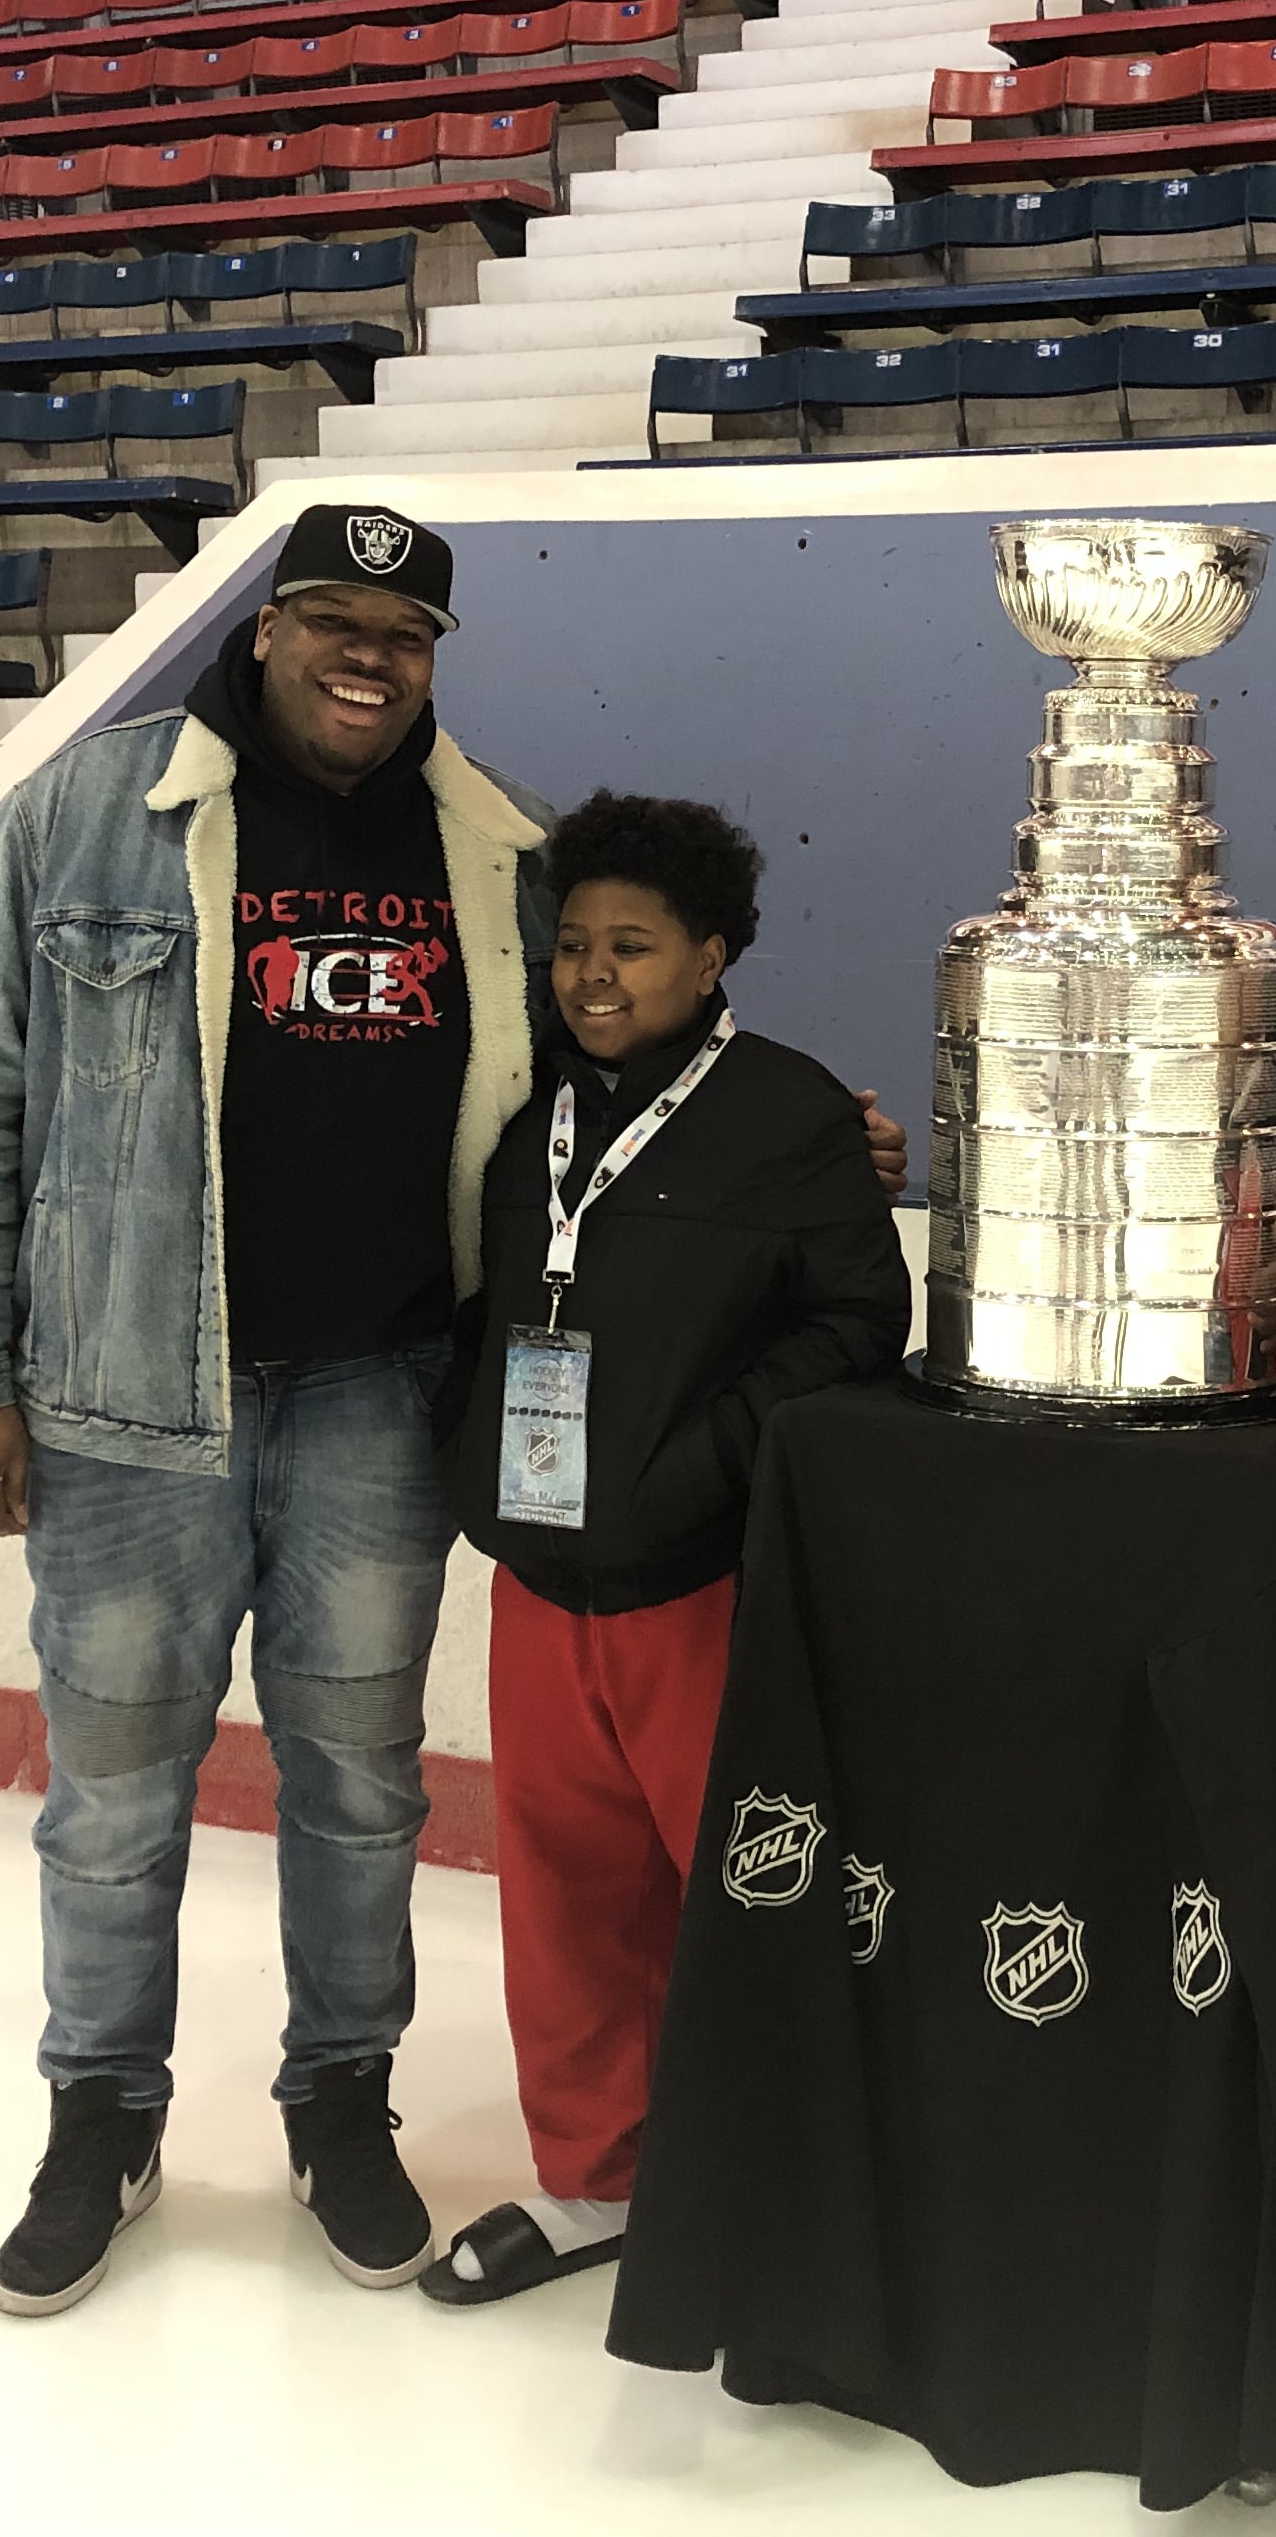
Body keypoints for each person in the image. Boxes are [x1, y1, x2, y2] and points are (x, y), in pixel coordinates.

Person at [0, 501, 910, 2322]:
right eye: (335, 624)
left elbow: (629, 1040)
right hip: (129, 1397)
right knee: (113, 1791)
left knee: (361, 1784)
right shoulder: (89, 812)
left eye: (406, 636)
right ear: (266, 628)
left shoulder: (496, 845)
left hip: (385, 1391)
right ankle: (101, 2115)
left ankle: (340, 2098)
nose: (369, 661)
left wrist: (811, 1135)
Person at [422, 793, 910, 2309]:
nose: (594, 975)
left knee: (750, 1898)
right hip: (539, 1581)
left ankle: (794, 2194)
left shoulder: (792, 1116)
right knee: (565, 1901)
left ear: (712, 956)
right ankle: (597, 2177)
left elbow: (856, 1324)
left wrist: (700, 1469)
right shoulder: (526, 1110)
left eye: (631, 946)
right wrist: (472, 1458)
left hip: (702, 1588)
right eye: (574, 944)